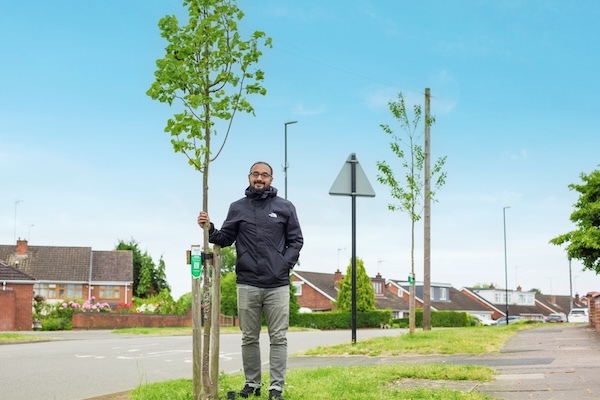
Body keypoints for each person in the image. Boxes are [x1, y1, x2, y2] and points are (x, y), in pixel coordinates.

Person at [197, 161, 303, 400]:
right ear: (248, 177)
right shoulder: (237, 208)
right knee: (248, 337)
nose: (259, 178)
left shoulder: (285, 207)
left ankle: (276, 389)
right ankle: (252, 384)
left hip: (277, 284)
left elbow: (296, 241)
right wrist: (209, 228)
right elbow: (225, 238)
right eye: (255, 174)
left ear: (271, 179)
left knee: (278, 338)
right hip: (247, 283)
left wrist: (283, 265)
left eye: (264, 175)